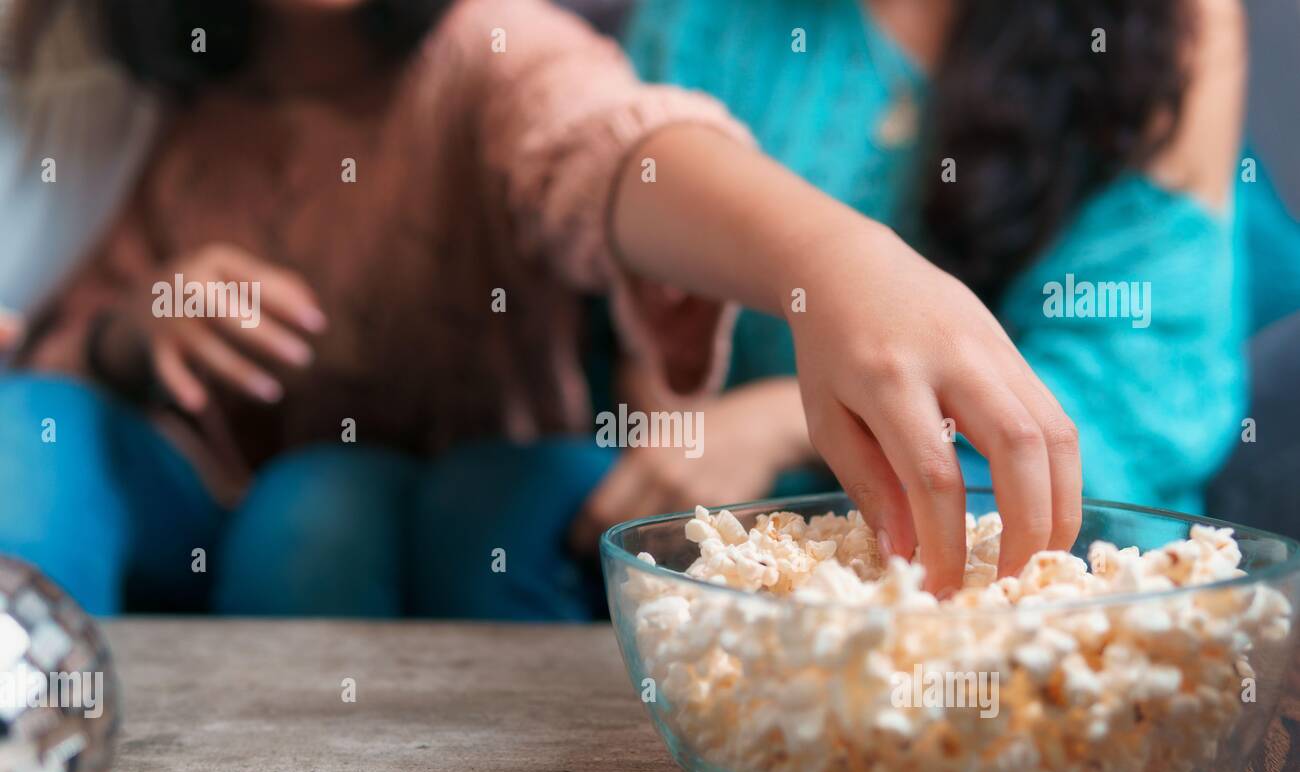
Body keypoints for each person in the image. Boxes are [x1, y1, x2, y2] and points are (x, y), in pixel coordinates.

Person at [0, 0, 1079, 618]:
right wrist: (139, 326)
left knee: (331, 507)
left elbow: (612, 149)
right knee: (270, 495)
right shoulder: (147, 98)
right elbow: (73, 337)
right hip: (203, 496)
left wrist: (831, 258)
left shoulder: (491, 51)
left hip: (480, 483)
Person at [605, 0, 1260, 534]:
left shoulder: (1169, 23)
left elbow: (1127, 380)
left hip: (1018, 498)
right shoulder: (703, 19)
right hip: (739, 512)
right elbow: (651, 296)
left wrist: (782, 422)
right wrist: (678, 438)